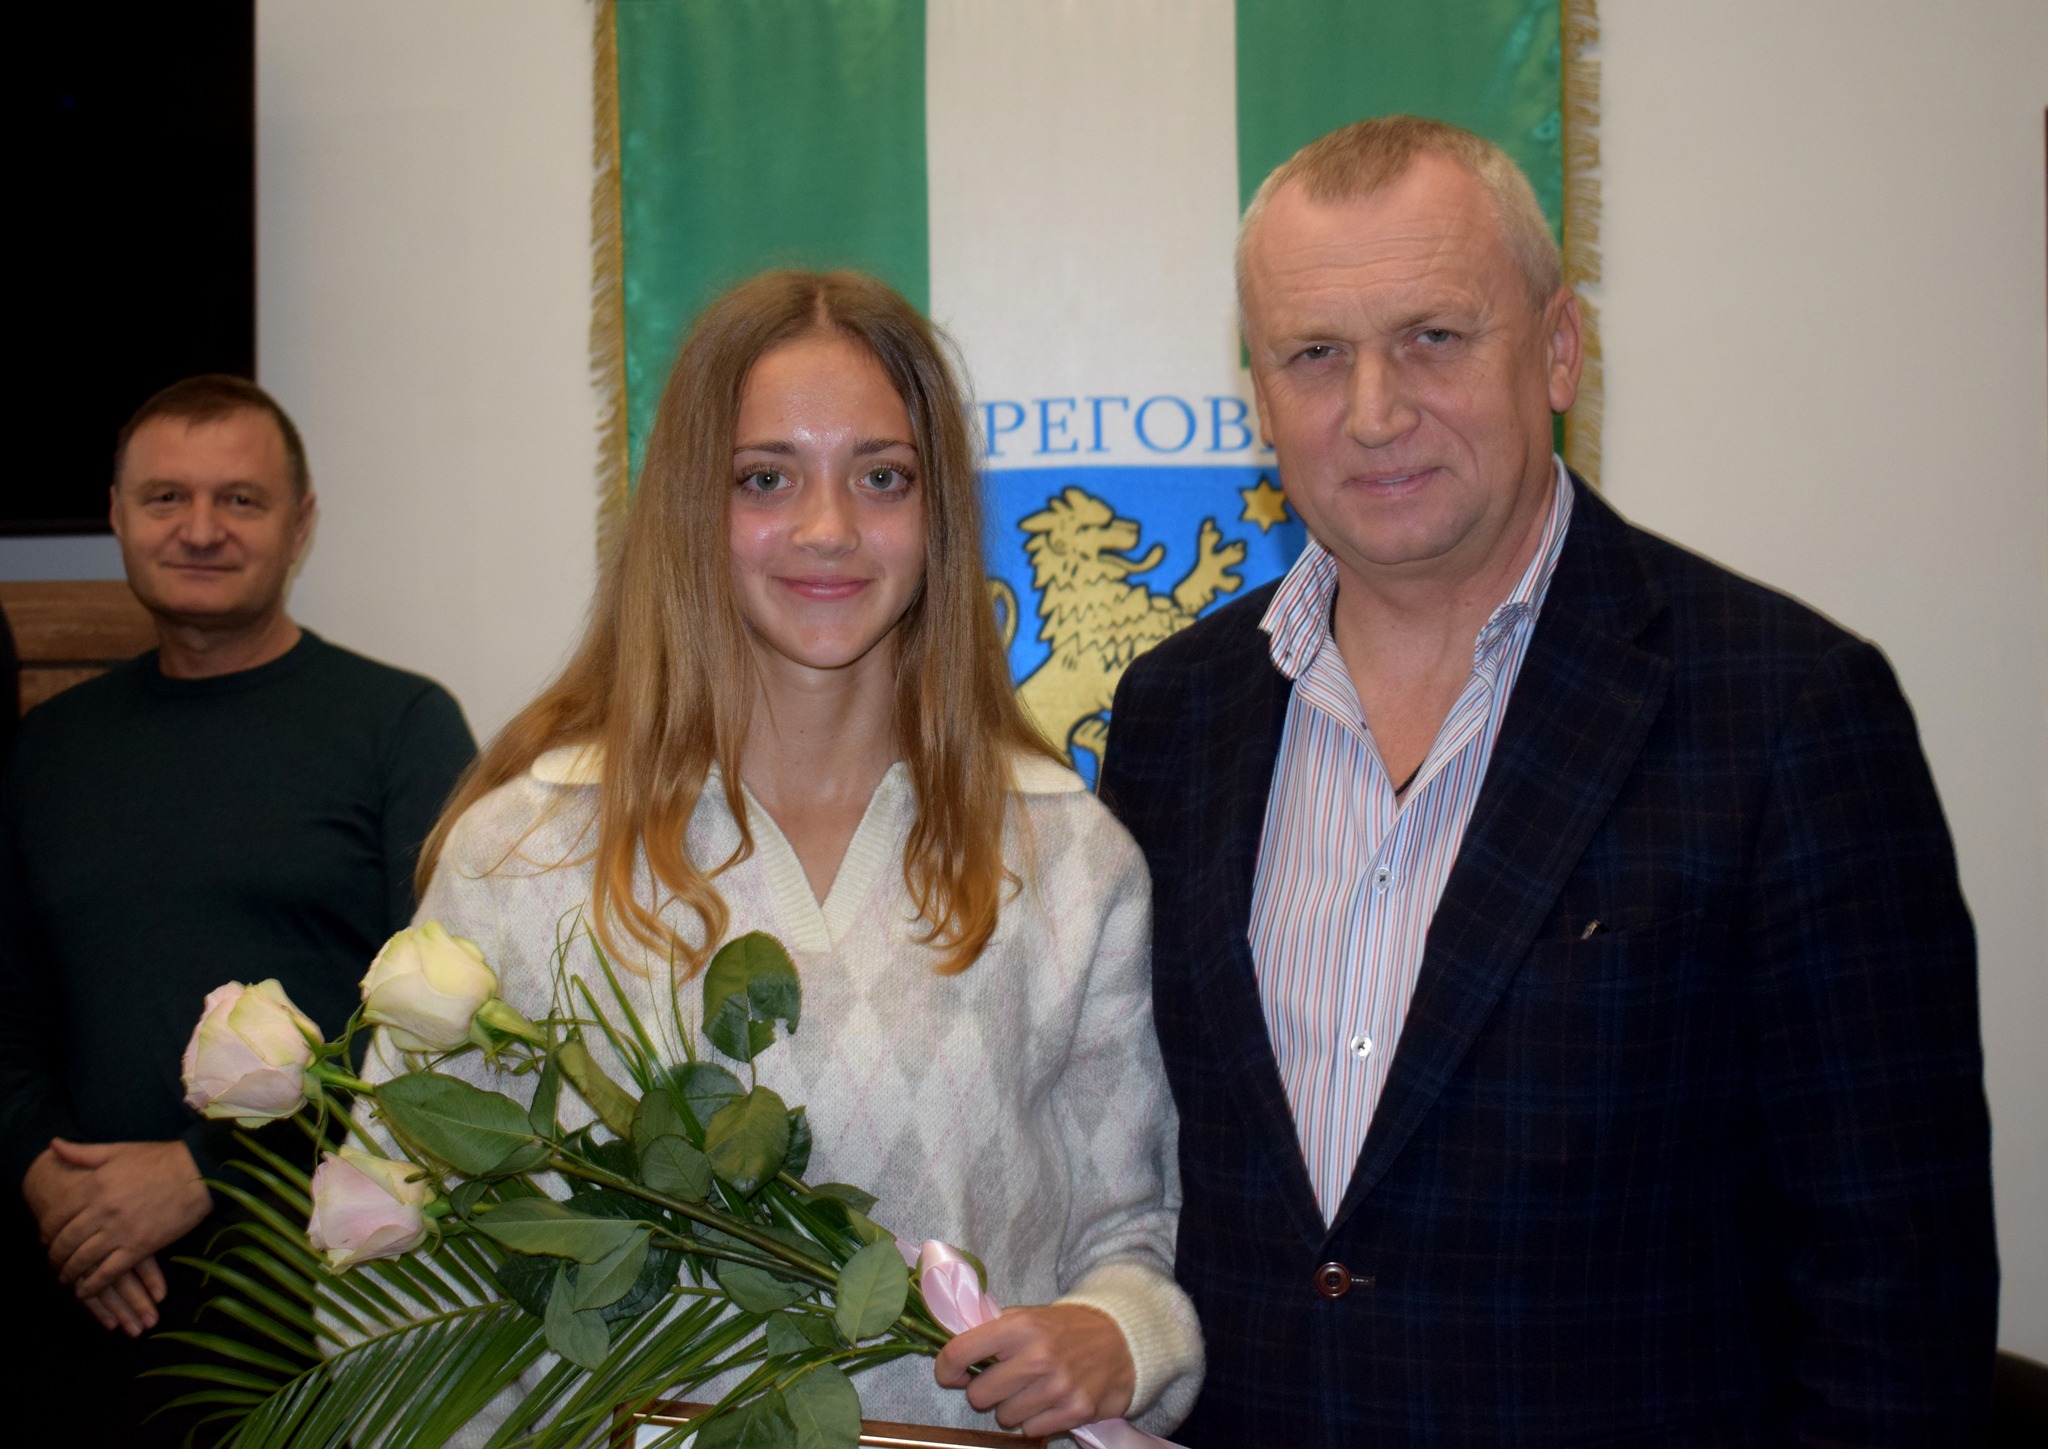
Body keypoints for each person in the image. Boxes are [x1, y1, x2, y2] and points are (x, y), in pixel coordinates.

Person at [1099, 116, 1997, 1445]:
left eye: (1433, 336)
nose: (1375, 411)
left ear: (1560, 348)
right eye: (1315, 354)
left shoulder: (1787, 711)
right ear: (1259, 398)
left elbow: (1895, 1293)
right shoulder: (1175, 715)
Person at [397, 270, 1201, 1439]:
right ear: (688, 507)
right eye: (764, 478)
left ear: (937, 515)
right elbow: (411, 1267)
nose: (828, 529)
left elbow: (1135, 1227)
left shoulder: (1068, 858)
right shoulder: (522, 852)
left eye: (882, 478)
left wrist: (1121, 1331)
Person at [0, 374, 476, 1441]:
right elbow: (7, 1010)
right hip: (80, 1291)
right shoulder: (49, 748)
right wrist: (53, 1185)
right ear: (117, 515)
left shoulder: (400, 726)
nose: (202, 528)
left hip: (312, 1301)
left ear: (300, 524)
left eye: (241, 500)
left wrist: (199, 1172)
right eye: (167, 497)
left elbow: (441, 1020)